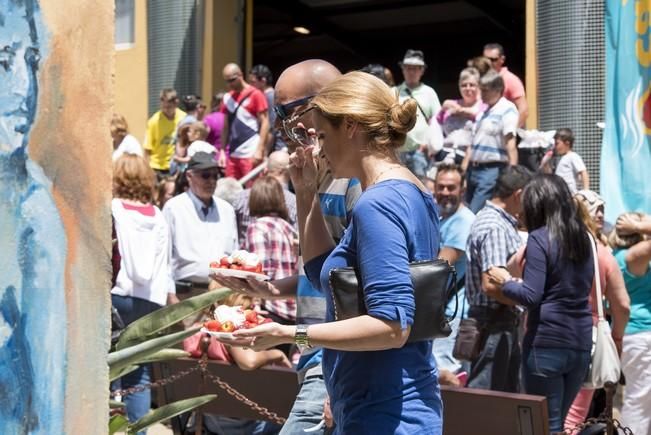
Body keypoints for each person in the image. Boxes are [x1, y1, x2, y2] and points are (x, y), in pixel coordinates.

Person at [220, 72, 443, 434]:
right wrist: (308, 189)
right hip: (384, 403)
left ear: (351, 126)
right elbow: (325, 273)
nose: (319, 148)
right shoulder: (411, 191)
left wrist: (291, 334)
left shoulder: (378, 204)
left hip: (383, 411)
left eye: (323, 135)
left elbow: (391, 326)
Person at [212, 60, 362, 435]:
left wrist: (342, 381)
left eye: (290, 113)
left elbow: (369, 292)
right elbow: (324, 273)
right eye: (279, 117)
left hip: (334, 360)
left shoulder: (355, 184)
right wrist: (270, 289)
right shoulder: (315, 177)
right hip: (313, 353)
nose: (284, 129)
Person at [0, 1, 67, 431]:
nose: (26, 89)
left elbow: (47, 406)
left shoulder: (34, 215)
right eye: (5, 62)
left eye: (31, 61)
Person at [487, 174, 595, 432]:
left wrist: (505, 281)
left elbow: (531, 296)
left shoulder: (539, 238)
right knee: (560, 424)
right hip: (580, 344)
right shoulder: (584, 237)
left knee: (545, 426)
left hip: (546, 343)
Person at [111, 154, 177, 432]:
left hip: (117, 295)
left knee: (109, 369)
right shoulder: (158, 216)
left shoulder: (113, 208)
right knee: (139, 371)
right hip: (150, 301)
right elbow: (166, 262)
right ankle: (138, 430)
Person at [564, 195, 630, 432]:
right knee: (575, 416)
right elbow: (622, 304)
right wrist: (617, 338)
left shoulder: (550, 244)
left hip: (546, 336)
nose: (601, 215)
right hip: (587, 338)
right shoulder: (600, 252)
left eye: (603, 209)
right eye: (594, 209)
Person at [464, 165, 532, 392]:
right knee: (487, 402)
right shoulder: (496, 227)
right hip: (494, 324)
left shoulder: (495, 222)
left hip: (497, 323)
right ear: (519, 194)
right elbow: (491, 284)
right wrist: (528, 298)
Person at [163, 151, 238, 323]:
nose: (211, 181)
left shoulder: (226, 210)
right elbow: (163, 257)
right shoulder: (174, 208)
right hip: (186, 295)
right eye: (205, 176)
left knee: (218, 349)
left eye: (215, 176)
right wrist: (169, 294)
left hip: (221, 295)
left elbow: (234, 253)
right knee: (187, 347)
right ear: (189, 176)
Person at [429, 163, 476, 383]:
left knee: (446, 373)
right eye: (441, 187)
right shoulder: (439, 216)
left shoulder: (464, 221)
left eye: (451, 188)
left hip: (454, 311)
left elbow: (440, 264)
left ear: (462, 190)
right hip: (439, 309)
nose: (445, 193)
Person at [610, 212, 651, 435]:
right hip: (641, 336)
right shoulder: (632, 257)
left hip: (634, 336)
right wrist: (640, 224)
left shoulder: (617, 256)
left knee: (642, 398)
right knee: (640, 399)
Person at [244, 176, 298, 327]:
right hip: (294, 305)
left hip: (270, 306)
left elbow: (259, 270)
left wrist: (255, 302)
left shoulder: (256, 227)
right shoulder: (288, 228)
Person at [463, 70, 519, 213]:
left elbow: (510, 141)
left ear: (498, 90)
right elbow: (473, 143)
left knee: (474, 212)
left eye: (486, 90)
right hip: (473, 170)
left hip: (491, 170)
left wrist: (512, 171)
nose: (482, 94)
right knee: (466, 209)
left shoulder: (507, 109)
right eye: (481, 90)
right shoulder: (483, 112)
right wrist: (463, 170)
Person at [233, 150, 297, 245]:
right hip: (280, 257)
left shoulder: (240, 197)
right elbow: (298, 240)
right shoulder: (295, 202)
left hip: (244, 257)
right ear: (288, 172)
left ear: (265, 170)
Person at [394, 49, 442, 177]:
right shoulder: (393, 91)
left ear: (422, 70)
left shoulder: (429, 92)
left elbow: (438, 120)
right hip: (396, 151)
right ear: (403, 69)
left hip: (421, 151)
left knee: (422, 188)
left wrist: (428, 144)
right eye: (408, 68)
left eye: (415, 68)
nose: (411, 71)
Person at [221, 63, 270, 180]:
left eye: (232, 80)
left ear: (240, 75)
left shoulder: (256, 94)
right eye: (227, 81)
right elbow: (225, 127)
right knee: (231, 191)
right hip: (233, 153)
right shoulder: (227, 97)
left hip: (251, 151)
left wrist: (260, 150)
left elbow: (265, 123)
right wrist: (222, 151)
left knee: (252, 190)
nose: (230, 84)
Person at [435, 67, 486, 165]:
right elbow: (437, 123)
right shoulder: (450, 104)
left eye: (472, 85)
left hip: (469, 158)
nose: (468, 88)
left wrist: (461, 111)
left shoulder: (483, 106)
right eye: (464, 85)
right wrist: (442, 110)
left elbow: (480, 117)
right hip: (444, 155)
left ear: (479, 87)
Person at [144, 88, 186, 178]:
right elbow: (147, 148)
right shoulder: (154, 121)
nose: (166, 110)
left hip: (176, 166)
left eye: (169, 107)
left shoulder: (183, 119)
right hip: (157, 166)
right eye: (163, 107)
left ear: (176, 103)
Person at [483, 43, 528, 127]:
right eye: (486, 59)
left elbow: (523, 110)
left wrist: (511, 133)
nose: (489, 63)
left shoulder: (510, 79)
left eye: (493, 59)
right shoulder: (480, 78)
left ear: (502, 59)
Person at [249, 64, 282, 153]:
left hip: (276, 147)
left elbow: (272, 127)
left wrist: (264, 152)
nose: (250, 86)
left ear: (263, 81)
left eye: (253, 82)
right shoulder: (266, 96)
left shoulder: (270, 97)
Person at [547, 128, 589, 193]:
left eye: (557, 143)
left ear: (567, 143)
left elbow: (583, 172)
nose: (555, 146)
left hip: (570, 195)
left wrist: (586, 191)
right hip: (561, 194)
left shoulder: (573, 156)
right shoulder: (562, 158)